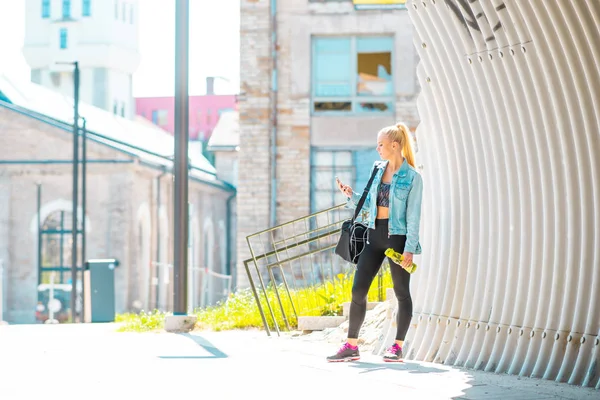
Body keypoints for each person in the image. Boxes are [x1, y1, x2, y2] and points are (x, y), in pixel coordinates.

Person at [328, 122, 423, 363]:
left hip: (398, 238)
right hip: (373, 234)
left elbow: (413, 216)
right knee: (358, 289)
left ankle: (397, 347)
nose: (377, 148)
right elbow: (371, 203)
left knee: (402, 292)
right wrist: (352, 196)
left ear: (395, 145)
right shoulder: (377, 169)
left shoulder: (413, 177)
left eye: (381, 144)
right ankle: (351, 345)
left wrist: (410, 248)